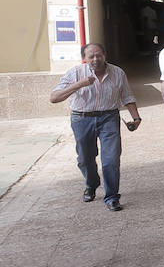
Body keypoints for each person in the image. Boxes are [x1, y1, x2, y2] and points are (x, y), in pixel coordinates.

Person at [49, 43, 141, 212]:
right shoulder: (75, 73)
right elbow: (54, 98)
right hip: (82, 118)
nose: (95, 59)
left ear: (105, 55)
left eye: (98, 55)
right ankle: (91, 184)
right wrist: (78, 84)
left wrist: (136, 117)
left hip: (109, 117)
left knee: (111, 159)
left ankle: (112, 197)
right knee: (85, 158)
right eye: (91, 56)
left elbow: (127, 96)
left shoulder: (117, 73)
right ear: (84, 58)